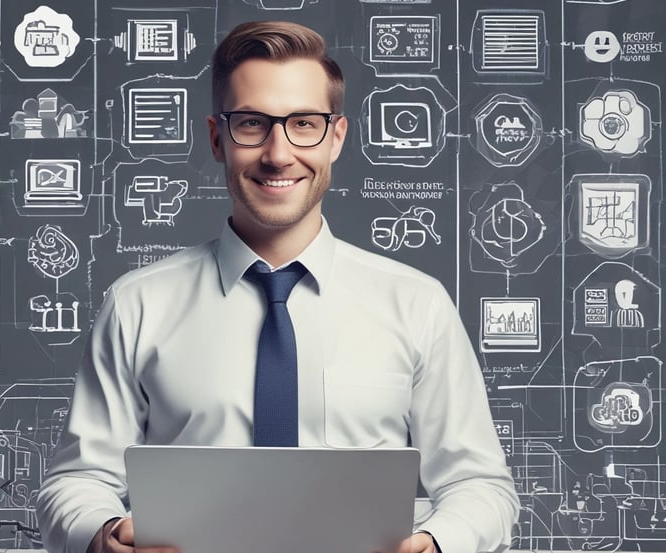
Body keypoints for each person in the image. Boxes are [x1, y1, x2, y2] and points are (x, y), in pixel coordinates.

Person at [36, 20, 520, 553]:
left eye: (304, 123)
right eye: (251, 124)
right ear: (217, 138)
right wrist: (104, 537)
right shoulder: (139, 304)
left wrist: (437, 541)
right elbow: (77, 480)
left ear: (335, 137)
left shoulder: (416, 304)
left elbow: (480, 486)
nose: (278, 153)